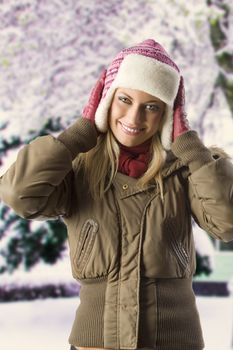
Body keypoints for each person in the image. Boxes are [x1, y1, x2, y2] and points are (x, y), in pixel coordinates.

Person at [0, 39, 233, 350]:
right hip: (94, 343)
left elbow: (226, 223)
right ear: (106, 99)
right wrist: (77, 135)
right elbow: (19, 195)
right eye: (124, 99)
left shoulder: (191, 167)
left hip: (173, 341)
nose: (134, 118)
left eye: (151, 106)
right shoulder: (77, 167)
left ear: (167, 114)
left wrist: (191, 149)